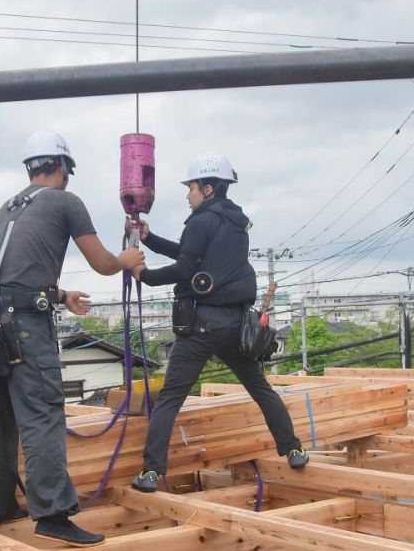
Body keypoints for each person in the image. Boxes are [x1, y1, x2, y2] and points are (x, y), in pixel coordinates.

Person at [0, 130, 144, 546]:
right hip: (24, 324)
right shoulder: (67, 202)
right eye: (68, 170)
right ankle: (52, 514)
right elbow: (103, 262)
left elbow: (14, 271)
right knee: (43, 415)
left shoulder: (6, 207)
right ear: (62, 166)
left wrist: (60, 295)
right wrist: (128, 259)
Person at [128, 154, 309, 493]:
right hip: (236, 327)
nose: (188, 195)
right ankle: (294, 449)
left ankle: (151, 472)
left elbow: (185, 268)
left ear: (208, 188)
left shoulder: (199, 221)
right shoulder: (236, 223)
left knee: (170, 399)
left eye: (192, 188)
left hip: (200, 329)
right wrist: (149, 238)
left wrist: (145, 276)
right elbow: (190, 254)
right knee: (261, 389)